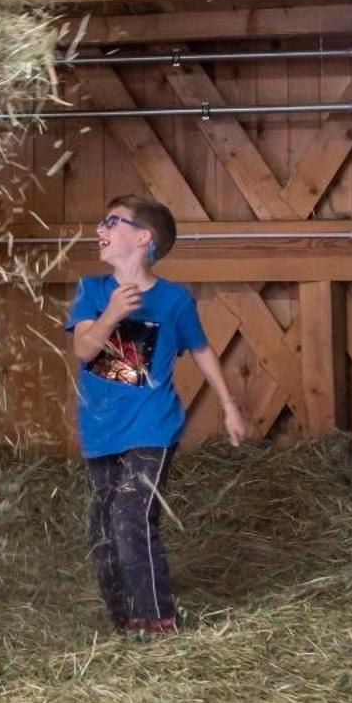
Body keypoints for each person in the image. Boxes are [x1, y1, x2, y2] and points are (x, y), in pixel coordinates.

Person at [66, 194, 248, 636]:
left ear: (144, 237)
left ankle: (158, 619)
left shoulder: (173, 300)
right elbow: (84, 349)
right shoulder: (93, 291)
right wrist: (112, 313)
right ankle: (126, 620)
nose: (100, 229)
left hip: (153, 426)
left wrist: (228, 405)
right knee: (103, 529)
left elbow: (201, 349)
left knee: (131, 514)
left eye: (112, 221)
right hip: (101, 429)